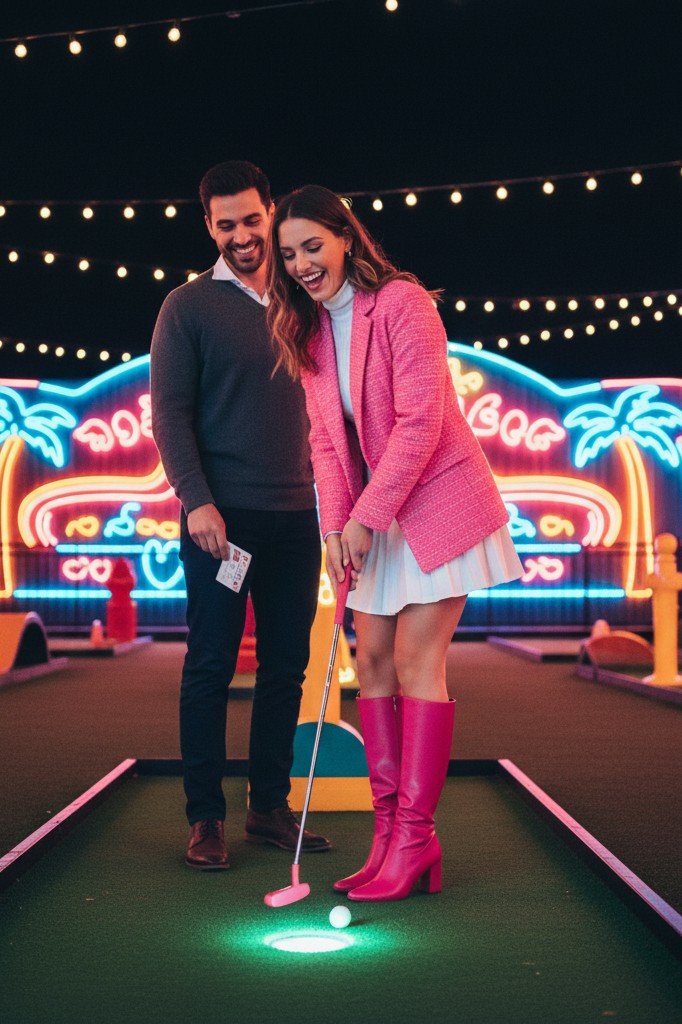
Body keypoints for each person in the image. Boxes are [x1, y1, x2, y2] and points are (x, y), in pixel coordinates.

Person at [266, 185, 523, 901]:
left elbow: (421, 423)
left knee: (415, 663)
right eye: (289, 255)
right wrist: (332, 527)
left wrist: (364, 519)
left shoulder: (404, 303)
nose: (302, 264)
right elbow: (325, 442)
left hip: (436, 502)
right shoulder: (310, 330)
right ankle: (386, 840)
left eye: (312, 246)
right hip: (373, 517)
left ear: (345, 236)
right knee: (370, 662)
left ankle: (416, 839)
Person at [150, 162, 330, 870]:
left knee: (286, 668)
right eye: (225, 225)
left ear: (270, 213)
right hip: (220, 528)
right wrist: (196, 500)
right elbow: (169, 415)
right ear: (209, 227)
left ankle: (267, 808)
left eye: (251, 221)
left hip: (296, 521)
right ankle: (205, 820)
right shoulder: (186, 306)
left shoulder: (306, 299)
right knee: (211, 668)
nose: (242, 236)